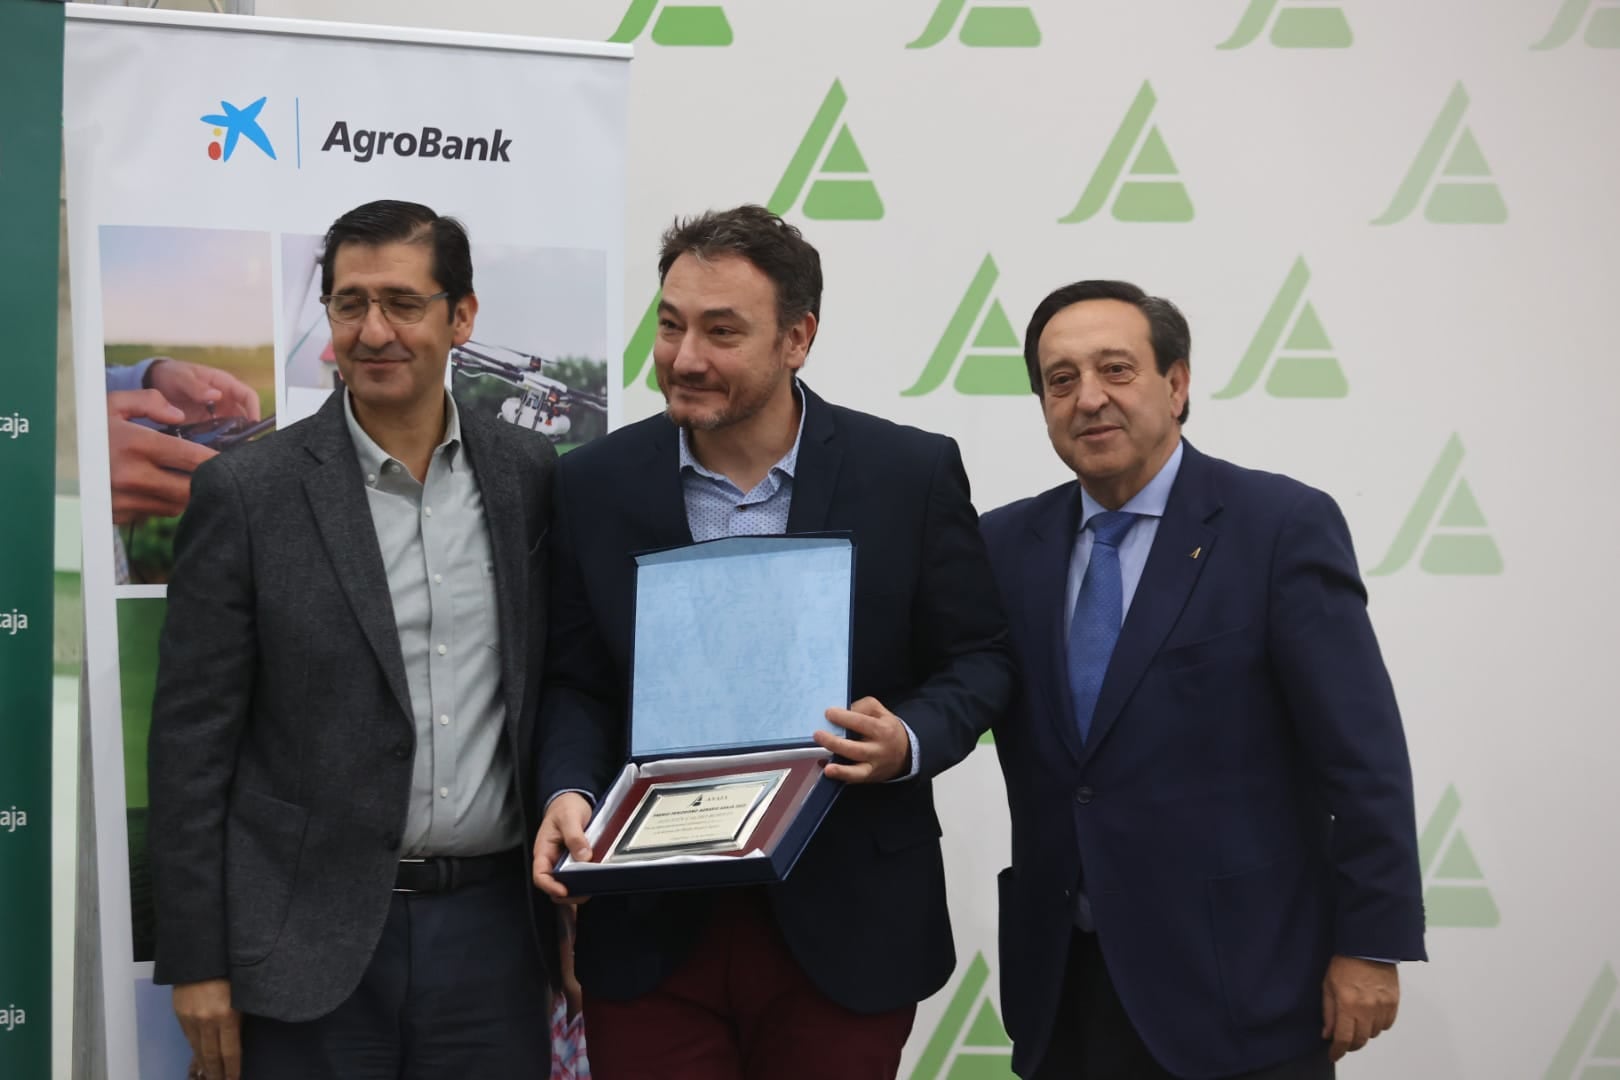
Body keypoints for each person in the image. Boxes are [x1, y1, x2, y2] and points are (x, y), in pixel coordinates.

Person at [531, 204, 1012, 1080]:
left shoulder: (908, 473)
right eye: (671, 325)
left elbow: (980, 660)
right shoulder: (592, 484)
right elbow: (576, 681)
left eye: (722, 332)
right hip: (650, 930)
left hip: (849, 923)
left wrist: (907, 739)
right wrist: (567, 787)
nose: (684, 358)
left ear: (798, 338)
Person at [148, 200, 557, 1080]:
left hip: (494, 943)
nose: (373, 331)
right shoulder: (247, 493)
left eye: (403, 303)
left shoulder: (529, 478)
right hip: (303, 949)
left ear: (463, 316)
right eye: (348, 303)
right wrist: (197, 961)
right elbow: (190, 747)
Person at [979, 281, 1426, 1080]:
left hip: (1242, 988)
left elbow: (1361, 754)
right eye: (1061, 379)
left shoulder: (1278, 527)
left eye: (1116, 369)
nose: (1089, 399)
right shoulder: (1003, 546)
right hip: (1065, 989)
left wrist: (1371, 942)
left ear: (1176, 385)